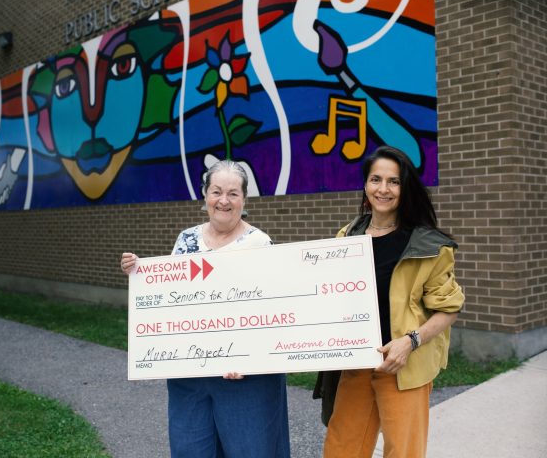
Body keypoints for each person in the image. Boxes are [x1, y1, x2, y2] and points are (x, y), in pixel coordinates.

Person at [121, 160, 290, 458]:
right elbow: (168, 298)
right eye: (216, 191)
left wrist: (251, 356)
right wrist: (138, 272)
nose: (223, 200)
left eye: (233, 193)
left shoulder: (260, 244)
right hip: (191, 375)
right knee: (192, 449)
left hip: (242, 376)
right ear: (205, 195)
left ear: (244, 199)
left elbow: (273, 312)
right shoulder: (186, 239)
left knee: (251, 450)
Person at [317, 146, 465, 458]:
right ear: (366, 184)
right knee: (341, 450)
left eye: (393, 182)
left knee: (403, 452)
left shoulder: (428, 244)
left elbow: (448, 308)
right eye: (376, 179)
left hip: (403, 367)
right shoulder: (347, 237)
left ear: (405, 187)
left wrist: (411, 341)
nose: (383, 189)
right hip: (357, 363)